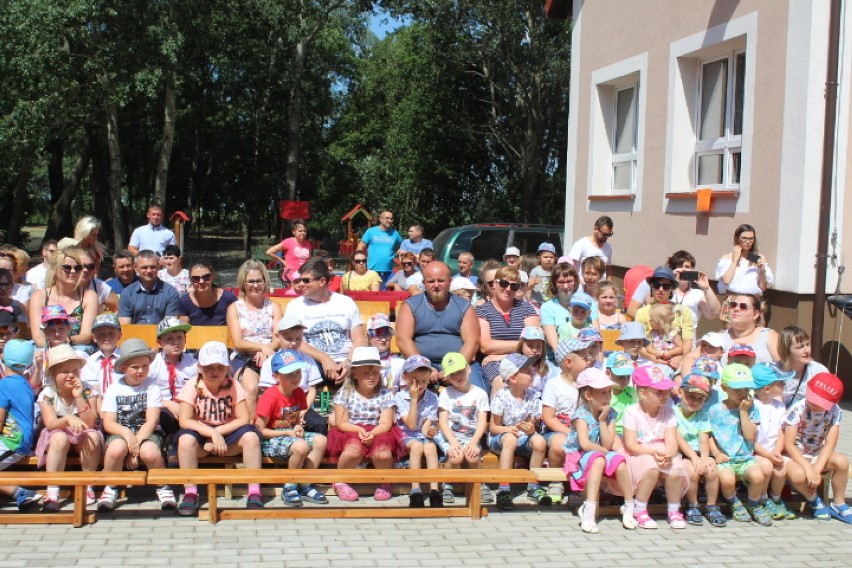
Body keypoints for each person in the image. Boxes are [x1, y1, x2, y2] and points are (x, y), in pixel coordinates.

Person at [174, 341, 264, 515]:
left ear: (227, 368)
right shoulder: (192, 385)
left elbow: (244, 418)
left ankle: (254, 490)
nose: (214, 371)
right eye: (209, 367)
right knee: (185, 440)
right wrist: (211, 434)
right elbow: (184, 420)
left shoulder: (233, 385)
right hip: (201, 439)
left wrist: (218, 434)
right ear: (200, 367)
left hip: (228, 438)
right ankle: (190, 492)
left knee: (251, 437)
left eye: (219, 367)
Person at [99, 338, 175, 511]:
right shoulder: (114, 389)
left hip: (147, 433)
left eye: (145, 366)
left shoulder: (151, 387)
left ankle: (163, 486)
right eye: (135, 367)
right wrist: (127, 435)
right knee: (116, 448)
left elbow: (152, 420)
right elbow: (109, 422)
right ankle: (110, 486)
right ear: (124, 368)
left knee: (150, 452)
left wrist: (136, 445)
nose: (141, 371)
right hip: (121, 432)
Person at [563, 368, 637, 533]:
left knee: (620, 462)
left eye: (609, 392)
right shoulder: (581, 415)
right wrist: (605, 451)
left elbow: (609, 443)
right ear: (588, 396)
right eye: (602, 393)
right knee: (598, 460)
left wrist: (603, 422)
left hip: (601, 451)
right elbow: (585, 444)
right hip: (579, 455)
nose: (608, 397)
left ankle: (629, 505)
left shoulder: (609, 414)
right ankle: (588, 511)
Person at [327, 346, 401, 502]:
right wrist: (359, 430)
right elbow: (341, 422)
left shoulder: (385, 394)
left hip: (378, 429)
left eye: (374, 372)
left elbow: (386, 422)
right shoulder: (345, 393)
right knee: (353, 450)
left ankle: (384, 480)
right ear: (354, 373)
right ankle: (341, 479)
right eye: (365, 372)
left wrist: (373, 433)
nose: (371, 377)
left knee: (382, 453)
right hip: (351, 428)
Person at [255, 349, 329, 507]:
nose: (295, 377)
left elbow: (295, 419)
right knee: (301, 446)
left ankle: (305, 483)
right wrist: (289, 431)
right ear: (276, 376)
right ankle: (290, 486)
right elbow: (260, 430)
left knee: (321, 440)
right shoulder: (270, 396)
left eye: (297, 372)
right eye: (289, 374)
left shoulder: (299, 393)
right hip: (270, 440)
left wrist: (296, 426)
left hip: (289, 437)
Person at [36, 345, 103, 512]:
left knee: (93, 436)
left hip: (83, 431)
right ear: (53, 374)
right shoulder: (48, 394)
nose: (71, 375)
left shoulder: (87, 390)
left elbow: (90, 422)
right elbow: (50, 423)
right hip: (58, 431)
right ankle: (53, 490)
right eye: (65, 371)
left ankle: (87, 485)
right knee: (59, 438)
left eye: (75, 370)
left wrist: (78, 397)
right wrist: (66, 419)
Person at [395, 261, 482, 388]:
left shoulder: (464, 307)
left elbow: (472, 342)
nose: (436, 285)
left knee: (477, 393)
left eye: (441, 280)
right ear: (424, 283)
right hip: (418, 364)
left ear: (450, 281)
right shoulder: (410, 306)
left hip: (459, 364)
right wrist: (424, 367)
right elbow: (403, 340)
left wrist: (454, 369)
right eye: (431, 281)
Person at [622, 365, 689, 529]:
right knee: (650, 469)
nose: (665, 395)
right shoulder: (631, 412)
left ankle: (674, 510)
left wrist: (669, 453)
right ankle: (640, 509)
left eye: (666, 391)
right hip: (639, 452)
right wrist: (653, 451)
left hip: (660, 450)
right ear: (643, 393)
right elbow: (631, 445)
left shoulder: (669, 412)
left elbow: (672, 442)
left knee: (675, 469)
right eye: (659, 391)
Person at [284, 258, 367, 385]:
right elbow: (293, 342)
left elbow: (360, 340)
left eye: (306, 280)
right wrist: (324, 358)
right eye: (300, 280)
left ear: (322, 281)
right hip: (312, 363)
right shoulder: (295, 307)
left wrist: (349, 362)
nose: (301, 284)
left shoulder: (346, 303)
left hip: (346, 361)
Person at [784, 372, 851, 523]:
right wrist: (808, 468)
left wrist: (817, 468)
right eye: (813, 400)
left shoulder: (835, 412)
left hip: (816, 452)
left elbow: (830, 444)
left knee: (842, 461)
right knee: (799, 475)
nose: (815, 405)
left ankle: (838, 503)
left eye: (821, 404)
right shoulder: (797, 409)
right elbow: (788, 444)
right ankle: (813, 499)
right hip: (795, 454)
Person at [709, 364, 772, 525]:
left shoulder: (751, 409)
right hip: (725, 458)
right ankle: (734, 503)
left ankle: (753, 504)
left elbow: (750, 436)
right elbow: (709, 435)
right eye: (737, 389)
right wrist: (716, 453)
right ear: (724, 387)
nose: (742, 393)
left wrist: (743, 412)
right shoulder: (715, 410)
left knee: (758, 476)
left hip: (746, 457)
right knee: (728, 479)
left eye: (746, 389)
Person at [488, 354, 548, 510]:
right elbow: (494, 428)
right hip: (500, 439)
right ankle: (504, 488)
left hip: (522, 438)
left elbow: (531, 424)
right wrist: (510, 429)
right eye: (528, 371)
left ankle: (533, 486)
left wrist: (531, 429)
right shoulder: (501, 397)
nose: (533, 373)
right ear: (513, 378)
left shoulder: (533, 396)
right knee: (510, 439)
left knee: (540, 441)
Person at [540, 338, 593, 504]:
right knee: (560, 443)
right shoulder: (554, 385)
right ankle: (556, 480)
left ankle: (578, 484)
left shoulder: (588, 385)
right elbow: (548, 417)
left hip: (583, 431)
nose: (588, 361)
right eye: (584, 358)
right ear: (569, 362)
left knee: (586, 444)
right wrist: (570, 432)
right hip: (558, 431)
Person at [435, 352, 492, 505]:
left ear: (469, 369)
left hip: (471, 437)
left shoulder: (480, 394)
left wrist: (474, 442)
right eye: (452, 374)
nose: (457, 376)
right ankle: (447, 483)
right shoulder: (446, 394)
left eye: (460, 371)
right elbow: (443, 422)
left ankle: (479, 482)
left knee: (472, 456)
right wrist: (453, 442)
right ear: (447, 377)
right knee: (456, 456)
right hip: (450, 436)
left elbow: (481, 422)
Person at [227, 260, 282, 417]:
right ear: (243, 283)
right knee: (251, 387)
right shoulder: (235, 308)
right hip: (244, 357)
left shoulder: (274, 307)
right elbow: (238, 342)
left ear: (265, 282)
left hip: (271, 355)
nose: (255, 285)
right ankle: (251, 428)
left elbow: (279, 338)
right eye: (251, 281)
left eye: (259, 280)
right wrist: (261, 347)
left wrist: (267, 350)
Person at [674, 373, 725, 527]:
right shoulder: (672, 412)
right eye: (691, 396)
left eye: (700, 398)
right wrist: (694, 458)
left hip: (697, 452)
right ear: (680, 392)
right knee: (691, 472)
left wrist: (704, 457)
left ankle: (711, 505)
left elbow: (704, 439)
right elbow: (678, 439)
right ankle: (693, 505)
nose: (695, 401)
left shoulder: (703, 415)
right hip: (680, 453)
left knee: (711, 469)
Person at [476, 266, 539, 390]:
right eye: (504, 284)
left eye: (514, 286)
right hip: (493, 364)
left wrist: (500, 355)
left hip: (524, 360)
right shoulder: (482, 310)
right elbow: (486, 346)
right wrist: (522, 345)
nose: (508, 289)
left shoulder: (526, 309)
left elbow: (535, 345)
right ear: (495, 284)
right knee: (501, 382)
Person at [751, 363, 798, 521]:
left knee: (780, 471)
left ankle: (776, 499)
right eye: (780, 382)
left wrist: (777, 450)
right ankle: (763, 500)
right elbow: (750, 439)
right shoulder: (751, 406)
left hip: (773, 451)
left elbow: (781, 431)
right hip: (755, 452)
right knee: (766, 466)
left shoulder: (780, 406)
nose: (784, 385)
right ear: (767, 388)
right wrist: (767, 455)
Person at [392, 355, 441, 508]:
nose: (419, 385)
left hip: (420, 435)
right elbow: (412, 425)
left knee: (431, 446)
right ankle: (416, 490)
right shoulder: (400, 397)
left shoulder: (432, 397)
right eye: (415, 381)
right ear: (405, 378)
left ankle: (435, 490)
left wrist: (431, 431)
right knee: (417, 446)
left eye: (424, 381)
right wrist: (413, 400)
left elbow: (425, 426)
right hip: (404, 435)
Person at [0, 339, 42, 511]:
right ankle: (21, 494)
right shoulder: (24, 383)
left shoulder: (3, 386)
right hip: (17, 440)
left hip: (12, 441)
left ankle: (21, 493)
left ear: (3, 359)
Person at [28, 247, 98, 348]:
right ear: (54, 269)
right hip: (46, 348)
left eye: (77, 268)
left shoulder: (89, 296)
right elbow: (38, 337)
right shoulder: (39, 296)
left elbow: (86, 336)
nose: (73, 271)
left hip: (76, 347)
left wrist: (66, 341)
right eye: (67, 267)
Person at [634, 267, 694, 370]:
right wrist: (654, 358)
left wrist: (680, 357)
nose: (661, 290)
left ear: (671, 289)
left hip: (678, 359)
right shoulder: (642, 312)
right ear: (651, 287)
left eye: (666, 286)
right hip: (649, 359)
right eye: (657, 286)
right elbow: (638, 344)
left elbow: (687, 341)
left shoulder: (683, 311)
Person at [148, 317, 198, 439]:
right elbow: (144, 392)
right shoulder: (153, 364)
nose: (176, 342)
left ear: (185, 339)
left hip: (187, 408)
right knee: (163, 416)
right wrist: (167, 403)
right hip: (161, 408)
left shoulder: (193, 364)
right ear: (160, 343)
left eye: (179, 337)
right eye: (169, 339)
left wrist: (186, 407)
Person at [118, 250, 181, 325]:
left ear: (158, 267)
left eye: (153, 267)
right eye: (144, 267)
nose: (149, 271)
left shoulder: (171, 292)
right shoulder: (127, 293)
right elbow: (124, 326)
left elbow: (170, 325)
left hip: (162, 335)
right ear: (135, 267)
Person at [777, 325, 829, 408]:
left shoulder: (819, 371)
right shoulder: (775, 371)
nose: (806, 350)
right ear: (786, 350)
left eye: (807, 344)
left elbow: (827, 403)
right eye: (800, 347)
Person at [80, 313, 123, 410]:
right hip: (98, 405)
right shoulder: (90, 362)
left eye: (111, 333)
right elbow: (91, 390)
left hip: (122, 404)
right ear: (94, 337)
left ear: (119, 336)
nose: (106, 337)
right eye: (101, 334)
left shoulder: (125, 358)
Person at [716, 224, 774, 296]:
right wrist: (735, 261)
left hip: (752, 299)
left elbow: (763, 287)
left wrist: (762, 271)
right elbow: (726, 281)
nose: (747, 242)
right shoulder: (727, 258)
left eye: (751, 238)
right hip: (732, 299)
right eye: (744, 238)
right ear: (737, 238)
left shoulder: (758, 258)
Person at [177, 259, 238, 326]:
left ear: (213, 276)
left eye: (206, 277)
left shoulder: (228, 299)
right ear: (191, 280)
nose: (201, 281)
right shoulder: (184, 302)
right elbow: (182, 330)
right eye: (196, 278)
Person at [540, 264, 580, 356]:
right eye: (561, 282)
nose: (565, 286)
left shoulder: (587, 304)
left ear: (575, 282)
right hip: (559, 358)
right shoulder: (547, 308)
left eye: (569, 281)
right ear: (554, 283)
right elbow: (555, 346)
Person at [358, 210, 402, 287]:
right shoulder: (371, 231)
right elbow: (360, 247)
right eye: (387, 218)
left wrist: (399, 252)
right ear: (380, 219)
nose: (389, 220)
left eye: (391, 219)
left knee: (387, 296)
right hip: (372, 271)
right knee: (372, 295)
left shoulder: (395, 233)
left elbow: (404, 245)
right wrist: (359, 262)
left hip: (389, 272)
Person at [568, 215, 614, 280]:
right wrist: (579, 283)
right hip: (583, 287)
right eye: (604, 234)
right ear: (596, 229)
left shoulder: (608, 247)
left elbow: (608, 268)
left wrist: (609, 284)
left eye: (609, 234)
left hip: (600, 289)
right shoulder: (581, 244)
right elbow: (570, 267)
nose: (606, 237)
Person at [78, 248, 118, 313]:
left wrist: (108, 321)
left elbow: (119, 308)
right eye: (81, 266)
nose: (86, 270)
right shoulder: (66, 285)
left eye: (90, 266)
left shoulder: (99, 285)